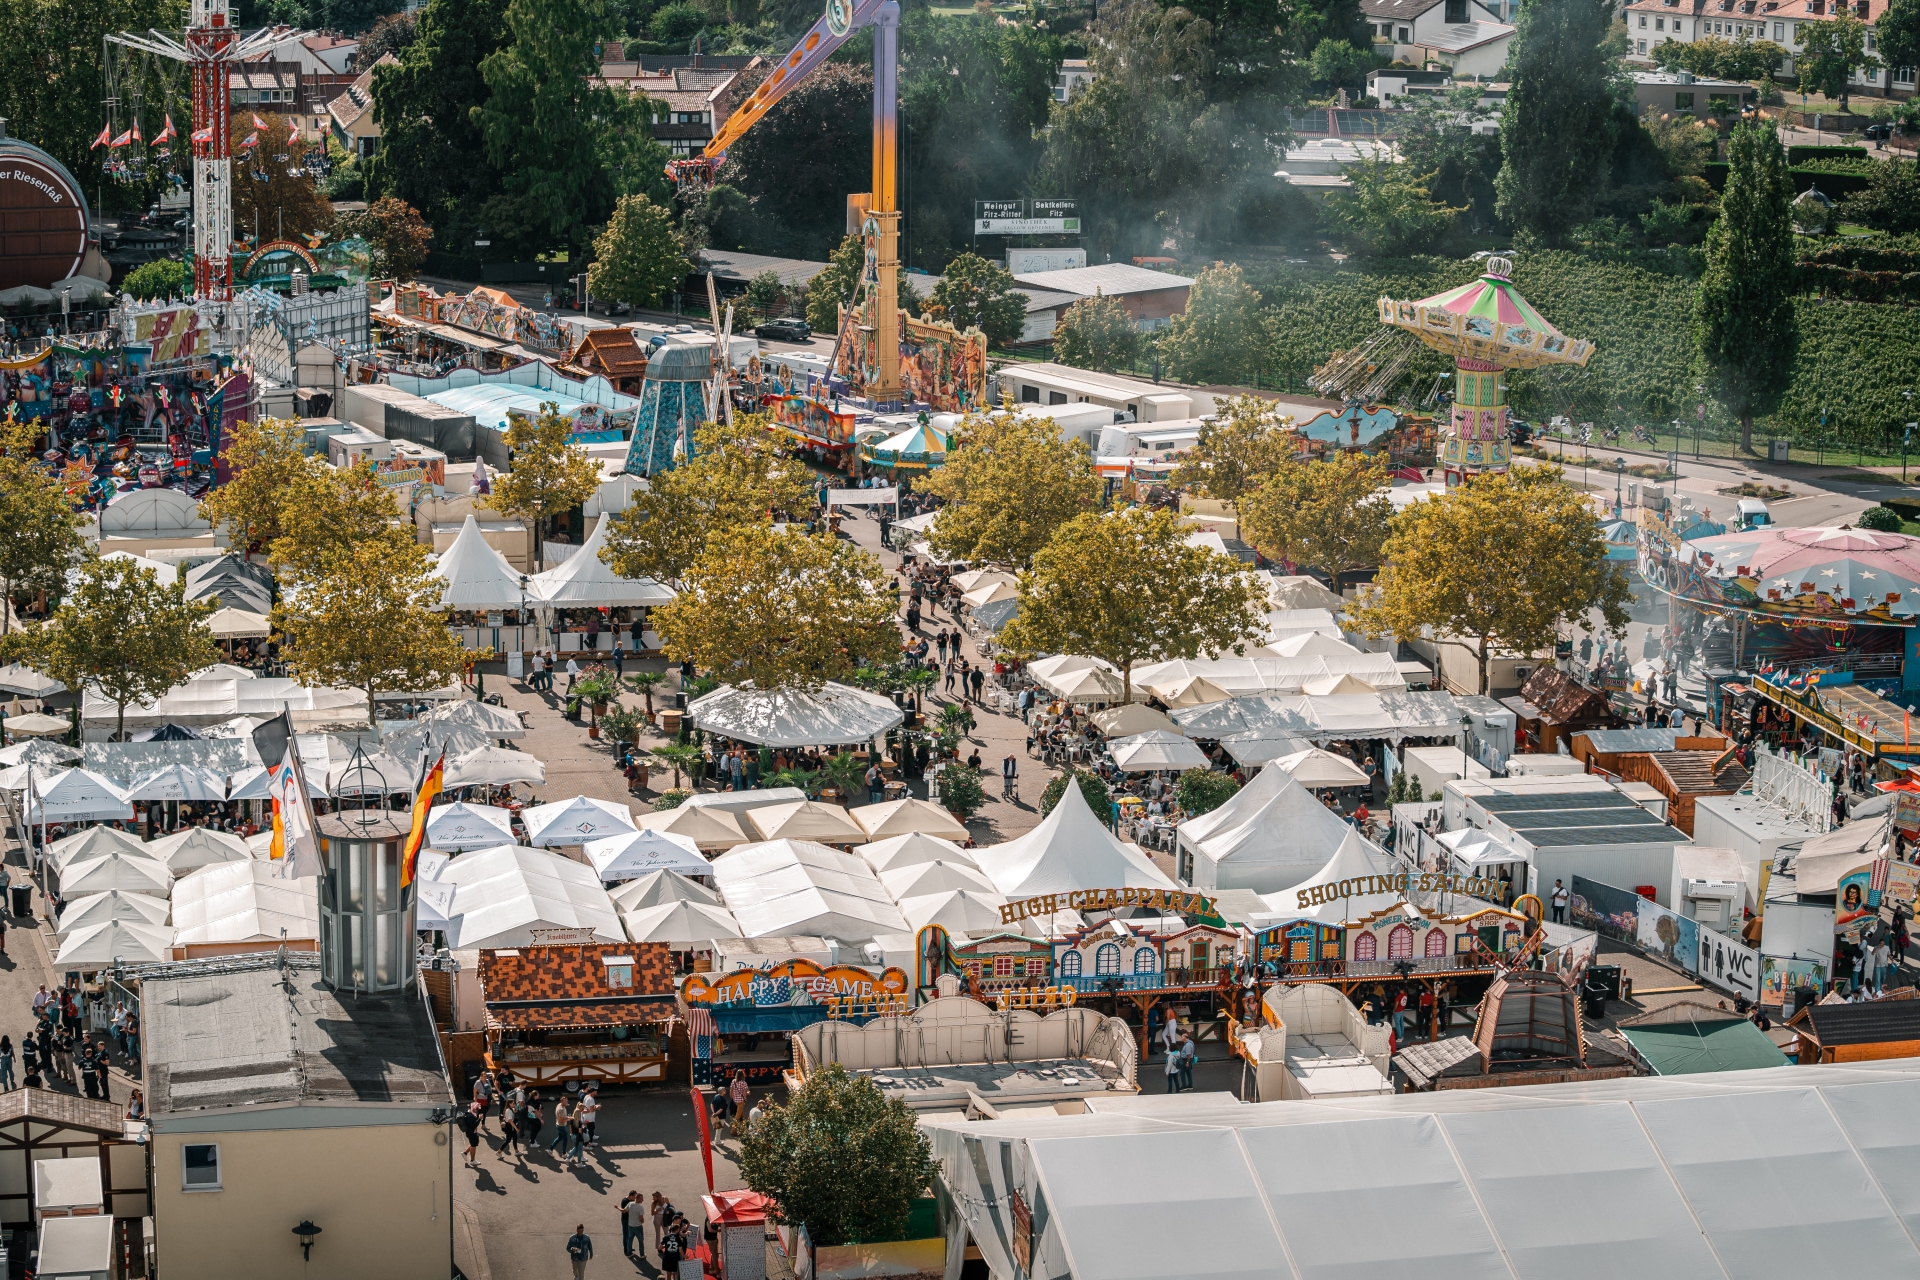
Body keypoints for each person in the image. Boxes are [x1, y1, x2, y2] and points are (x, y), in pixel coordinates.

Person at [624, 1190, 648, 1258]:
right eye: (641, 1199)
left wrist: (618, 1208)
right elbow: (641, 1219)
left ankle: (629, 1253)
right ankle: (642, 1254)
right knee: (640, 1240)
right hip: (638, 1226)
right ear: (638, 1199)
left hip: (630, 1225)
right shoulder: (640, 1208)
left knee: (630, 1239)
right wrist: (642, 1221)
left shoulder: (630, 1204)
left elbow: (625, 1210)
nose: (643, 1200)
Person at [458, 1102, 481, 1167]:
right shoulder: (470, 1116)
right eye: (476, 1108)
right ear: (473, 1108)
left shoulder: (469, 1113)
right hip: (471, 1132)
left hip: (470, 1132)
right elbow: (474, 1125)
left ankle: (465, 1153)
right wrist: (479, 1119)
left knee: (473, 1144)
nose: (477, 1110)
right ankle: (472, 1160)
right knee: (473, 1145)